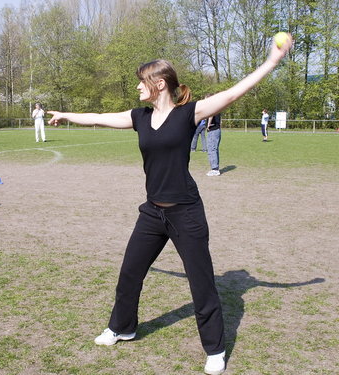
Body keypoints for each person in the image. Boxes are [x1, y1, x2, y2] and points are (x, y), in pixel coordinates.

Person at [48, 34, 292, 375]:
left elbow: (235, 92)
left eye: (141, 83)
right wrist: (67, 115)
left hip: (185, 211)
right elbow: (100, 116)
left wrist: (271, 62)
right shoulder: (139, 117)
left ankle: (215, 349)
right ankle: (122, 327)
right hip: (152, 211)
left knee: (201, 282)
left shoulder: (189, 113)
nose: (137, 89)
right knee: (130, 272)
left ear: (158, 83)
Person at [206, 95, 221, 176]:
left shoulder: (212, 107)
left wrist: (208, 125)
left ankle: (214, 169)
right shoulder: (218, 107)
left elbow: (210, 115)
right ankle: (216, 168)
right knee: (215, 149)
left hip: (213, 130)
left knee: (211, 149)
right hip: (217, 130)